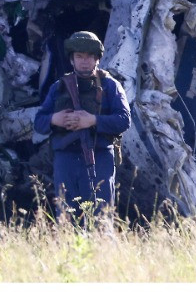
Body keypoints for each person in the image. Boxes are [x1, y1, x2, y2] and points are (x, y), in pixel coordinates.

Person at [34, 30, 130, 224]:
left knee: (101, 220)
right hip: (66, 160)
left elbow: (124, 120)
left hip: (99, 158)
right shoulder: (58, 87)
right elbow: (39, 123)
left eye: (89, 57)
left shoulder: (111, 86)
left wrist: (93, 121)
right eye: (79, 56)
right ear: (72, 60)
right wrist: (55, 119)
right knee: (67, 220)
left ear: (97, 59)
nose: (84, 61)